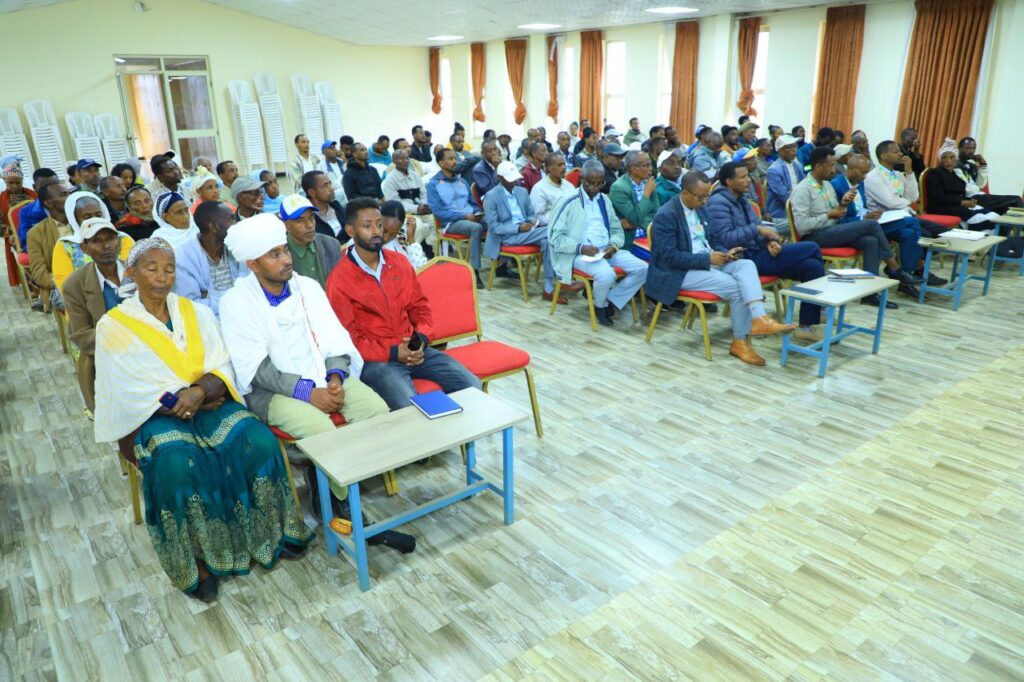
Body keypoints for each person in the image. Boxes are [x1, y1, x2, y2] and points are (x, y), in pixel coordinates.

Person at [92, 238, 313, 601]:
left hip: (206, 402)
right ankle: (198, 562)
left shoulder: (195, 312)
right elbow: (123, 386)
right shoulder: (113, 325)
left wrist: (201, 391)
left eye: (169, 269)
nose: (162, 277)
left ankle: (272, 532)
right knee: (177, 462)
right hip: (154, 414)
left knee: (256, 439)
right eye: (151, 269)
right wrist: (177, 399)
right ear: (131, 273)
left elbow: (222, 361)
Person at [217, 214, 405, 535]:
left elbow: (335, 339)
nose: (286, 259)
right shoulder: (235, 302)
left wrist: (335, 378)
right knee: (321, 429)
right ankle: (336, 499)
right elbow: (258, 369)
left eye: (284, 250)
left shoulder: (308, 287)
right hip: (274, 392)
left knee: (376, 410)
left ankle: (338, 480)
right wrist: (309, 393)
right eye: (274, 255)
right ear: (253, 264)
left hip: (323, 375)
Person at [325, 197, 482, 409]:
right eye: (368, 226)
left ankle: (462, 430)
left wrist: (419, 341)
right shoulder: (339, 279)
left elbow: (421, 309)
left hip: (414, 348)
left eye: (379, 224)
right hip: (377, 361)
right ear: (350, 230)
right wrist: (393, 352)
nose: (377, 231)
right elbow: (350, 339)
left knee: (472, 385)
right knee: (411, 407)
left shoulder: (399, 262)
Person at [646, 171, 796, 364]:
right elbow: (669, 257)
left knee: (745, 265)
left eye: (707, 196)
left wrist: (726, 252)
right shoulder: (666, 215)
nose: (705, 201)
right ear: (685, 193)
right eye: (701, 197)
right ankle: (740, 342)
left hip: (707, 261)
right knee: (736, 286)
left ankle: (760, 318)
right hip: (678, 272)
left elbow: (714, 240)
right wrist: (707, 259)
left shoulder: (700, 208)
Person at [708, 162, 824, 341]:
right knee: (812, 247)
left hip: (758, 251)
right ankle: (821, 307)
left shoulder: (742, 199)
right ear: (729, 181)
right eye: (742, 177)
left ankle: (806, 326)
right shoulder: (718, 203)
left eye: (748, 175)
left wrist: (769, 241)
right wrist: (757, 230)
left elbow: (759, 229)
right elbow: (725, 239)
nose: (748, 180)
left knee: (811, 266)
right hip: (743, 258)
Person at [790, 148, 918, 306]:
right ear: (817, 167)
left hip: (833, 230)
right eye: (830, 166)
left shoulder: (827, 185)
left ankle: (869, 294)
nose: (834, 169)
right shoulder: (802, 189)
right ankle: (895, 268)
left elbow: (837, 212)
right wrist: (829, 215)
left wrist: (842, 205)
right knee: (871, 225)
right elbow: (802, 226)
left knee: (870, 241)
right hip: (815, 236)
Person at [547, 160, 648, 327]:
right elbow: (554, 237)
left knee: (643, 269)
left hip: (604, 250)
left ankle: (610, 301)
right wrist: (580, 248)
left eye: (600, 183)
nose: (595, 187)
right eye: (591, 183)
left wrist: (614, 245)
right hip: (577, 253)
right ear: (581, 179)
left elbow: (616, 229)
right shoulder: (568, 200)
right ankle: (599, 306)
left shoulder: (604, 200)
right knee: (607, 275)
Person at [62, 218, 126, 415]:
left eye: (111, 238)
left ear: (119, 242)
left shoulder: (137, 272)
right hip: (104, 357)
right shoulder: (75, 284)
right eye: (97, 241)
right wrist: (125, 339)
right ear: (84, 248)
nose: (106, 246)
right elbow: (81, 335)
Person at [483, 162, 569, 304]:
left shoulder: (521, 191)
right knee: (553, 232)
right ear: (500, 177)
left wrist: (532, 222)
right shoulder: (491, 196)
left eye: (515, 178)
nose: (513, 182)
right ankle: (563, 278)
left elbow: (531, 214)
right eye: (510, 179)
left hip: (527, 231)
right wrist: (517, 228)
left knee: (548, 241)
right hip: (506, 237)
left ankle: (548, 289)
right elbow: (493, 227)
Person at [172, 201, 242, 315]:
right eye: (231, 219)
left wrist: (208, 296)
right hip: (208, 322)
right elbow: (191, 306)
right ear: (213, 226)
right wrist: (236, 298)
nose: (236, 224)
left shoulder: (236, 247)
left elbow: (249, 289)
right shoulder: (182, 258)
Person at [427, 148, 484, 286]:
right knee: (476, 228)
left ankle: (502, 263)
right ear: (441, 163)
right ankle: (474, 272)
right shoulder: (433, 184)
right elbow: (438, 212)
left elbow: (473, 203)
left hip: (470, 218)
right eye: (451, 159)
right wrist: (464, 216)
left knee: (494, 221)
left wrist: (478, 213)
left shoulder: (462, 181)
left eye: (455, 158)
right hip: (450, 223)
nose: (455, 162)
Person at [278, 194, 342, 288]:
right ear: (287, 226)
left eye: (311, 217)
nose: (309, 225)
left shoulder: (331, 245)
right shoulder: (280, 256)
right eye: (300, 221)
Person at [25, 182, 71, 307]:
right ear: (48, 203)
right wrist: (70, 281)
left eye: (69, 193)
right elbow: (40, 274)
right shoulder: (36, 233)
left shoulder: (83, 222)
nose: (69, 197)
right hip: (64, 285)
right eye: (63, 194)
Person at [956, 137, 1023, 213]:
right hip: (970, 198)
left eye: (974, 148)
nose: (972, 151)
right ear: (959, 148)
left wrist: (983, 165)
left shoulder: (971, 165)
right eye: (968, 148)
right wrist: (979, 191)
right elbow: (967, 190)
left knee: (1006, 210)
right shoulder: (955, 165)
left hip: (979, 196)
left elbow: (980, 185)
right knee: (1016, 200)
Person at [610, 150, 660, 249]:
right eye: (646, 165)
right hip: (632, 241)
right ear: (633, 168)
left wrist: (636, 222)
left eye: (650, 164)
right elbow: (634, 218)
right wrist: (646, 194)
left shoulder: (648, 184)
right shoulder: (619, 188)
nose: (650, 168)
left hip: (651, 236)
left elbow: (657, 215)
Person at [382, 149, 433, 240]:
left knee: (436, 223)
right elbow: (396, 204)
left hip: (422, 211)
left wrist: (424, 205)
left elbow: (424, 194)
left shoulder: (415, 176)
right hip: (404, 214)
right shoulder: (390, 180)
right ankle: (414, 247)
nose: (405, 161)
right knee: (418, 227)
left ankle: (431, 247)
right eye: (401, 159)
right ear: (394, 161)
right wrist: (416, 208)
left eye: (406, 158)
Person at [0, 157, 36, 286]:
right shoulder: (1, 199)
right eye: (11, 183)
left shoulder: (33, 195)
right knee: (26, 259)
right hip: (14, 238)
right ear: (5, 181)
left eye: (18, 182)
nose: (15, 186)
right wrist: (10, 234)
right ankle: (32, 288)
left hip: (36, 233)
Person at [15, 168, 58, 255]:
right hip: (45, 254)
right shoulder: (26, 213)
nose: (52, 191)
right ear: (35, 188)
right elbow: (26, 242)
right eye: (46, 187)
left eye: (55, 186)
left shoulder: (69, 205)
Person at [766, 134, 805, 229]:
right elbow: (784, 197)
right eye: (789, 147)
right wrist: (798, 193)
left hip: (799, 210)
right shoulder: (774, 170)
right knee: (806, 225)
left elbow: (805, 188)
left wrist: (793, 192)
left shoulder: (798, 165)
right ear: (780, 151)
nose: (794, 150)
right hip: (782, 215)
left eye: (795, 146)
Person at [530, 152, 576, 227]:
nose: (563, 167)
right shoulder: (539, 189)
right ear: (549, 168)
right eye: (559, 165)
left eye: (564, 164)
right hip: (553, 226)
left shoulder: (569, 185)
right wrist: (562, 217)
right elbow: (538, 218)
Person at [301, 171, 347, 243]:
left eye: (330, 183)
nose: (331, 189)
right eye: (325, 186)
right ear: (312, 192)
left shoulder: (336, 206)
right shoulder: (308, 218)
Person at [380, 200, 428, 269]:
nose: (386, 238)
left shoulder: (401, 238)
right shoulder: (371, 245)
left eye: (393, 234)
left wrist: (411, 239)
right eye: (384, 231)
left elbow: (421, 267)